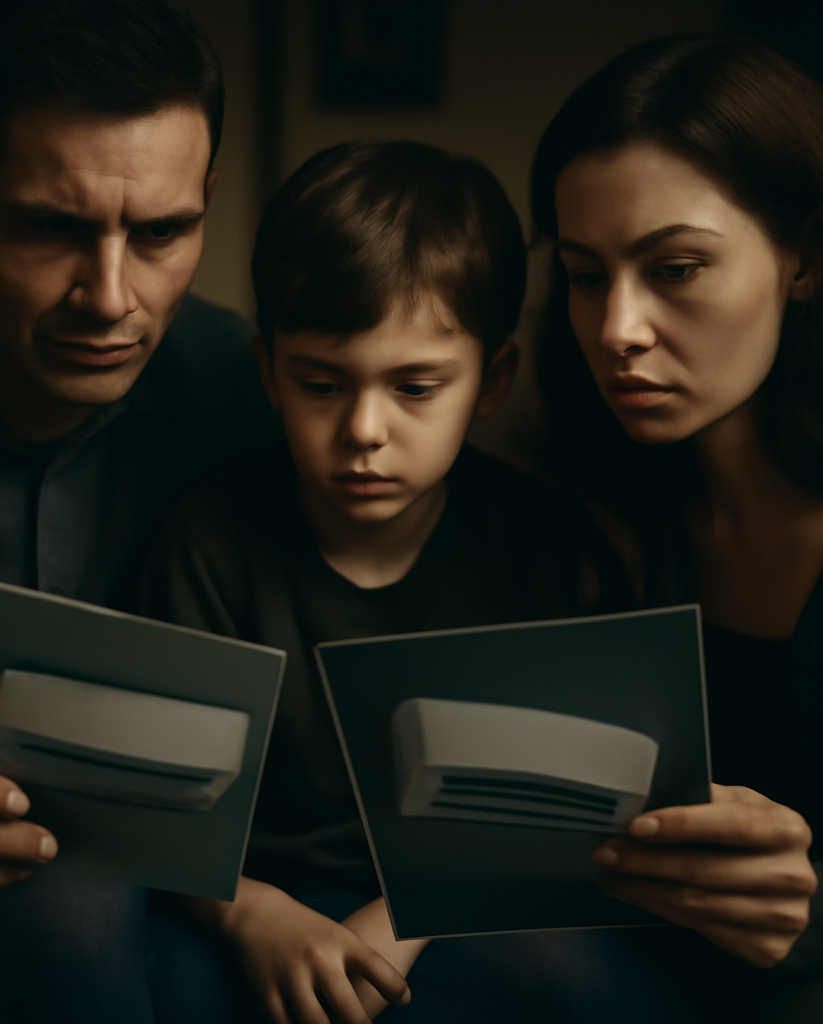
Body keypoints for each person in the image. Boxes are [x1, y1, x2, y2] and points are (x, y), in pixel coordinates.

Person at [142, 140, 675, 1024]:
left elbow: (559, 804)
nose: (364, 428)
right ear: (268, 370)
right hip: (250, 903)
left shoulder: (543, 546)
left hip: (464, 905)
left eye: (416, 387)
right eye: (321, 383)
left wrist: (408, 918)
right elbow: (164, 817)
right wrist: (257, 918)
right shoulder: (205, 543)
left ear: (491, 380)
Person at [0, 1, 273, 1021]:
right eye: (52, 228)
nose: (110, 297)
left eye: (164, 232)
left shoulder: (276, 402)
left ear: (208, 200)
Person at [530, 34, 823, 1020]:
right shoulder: (585, 504)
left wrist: (812, 908)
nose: (615, 329)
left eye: (674, 268)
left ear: (801, 257)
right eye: (584, 274)